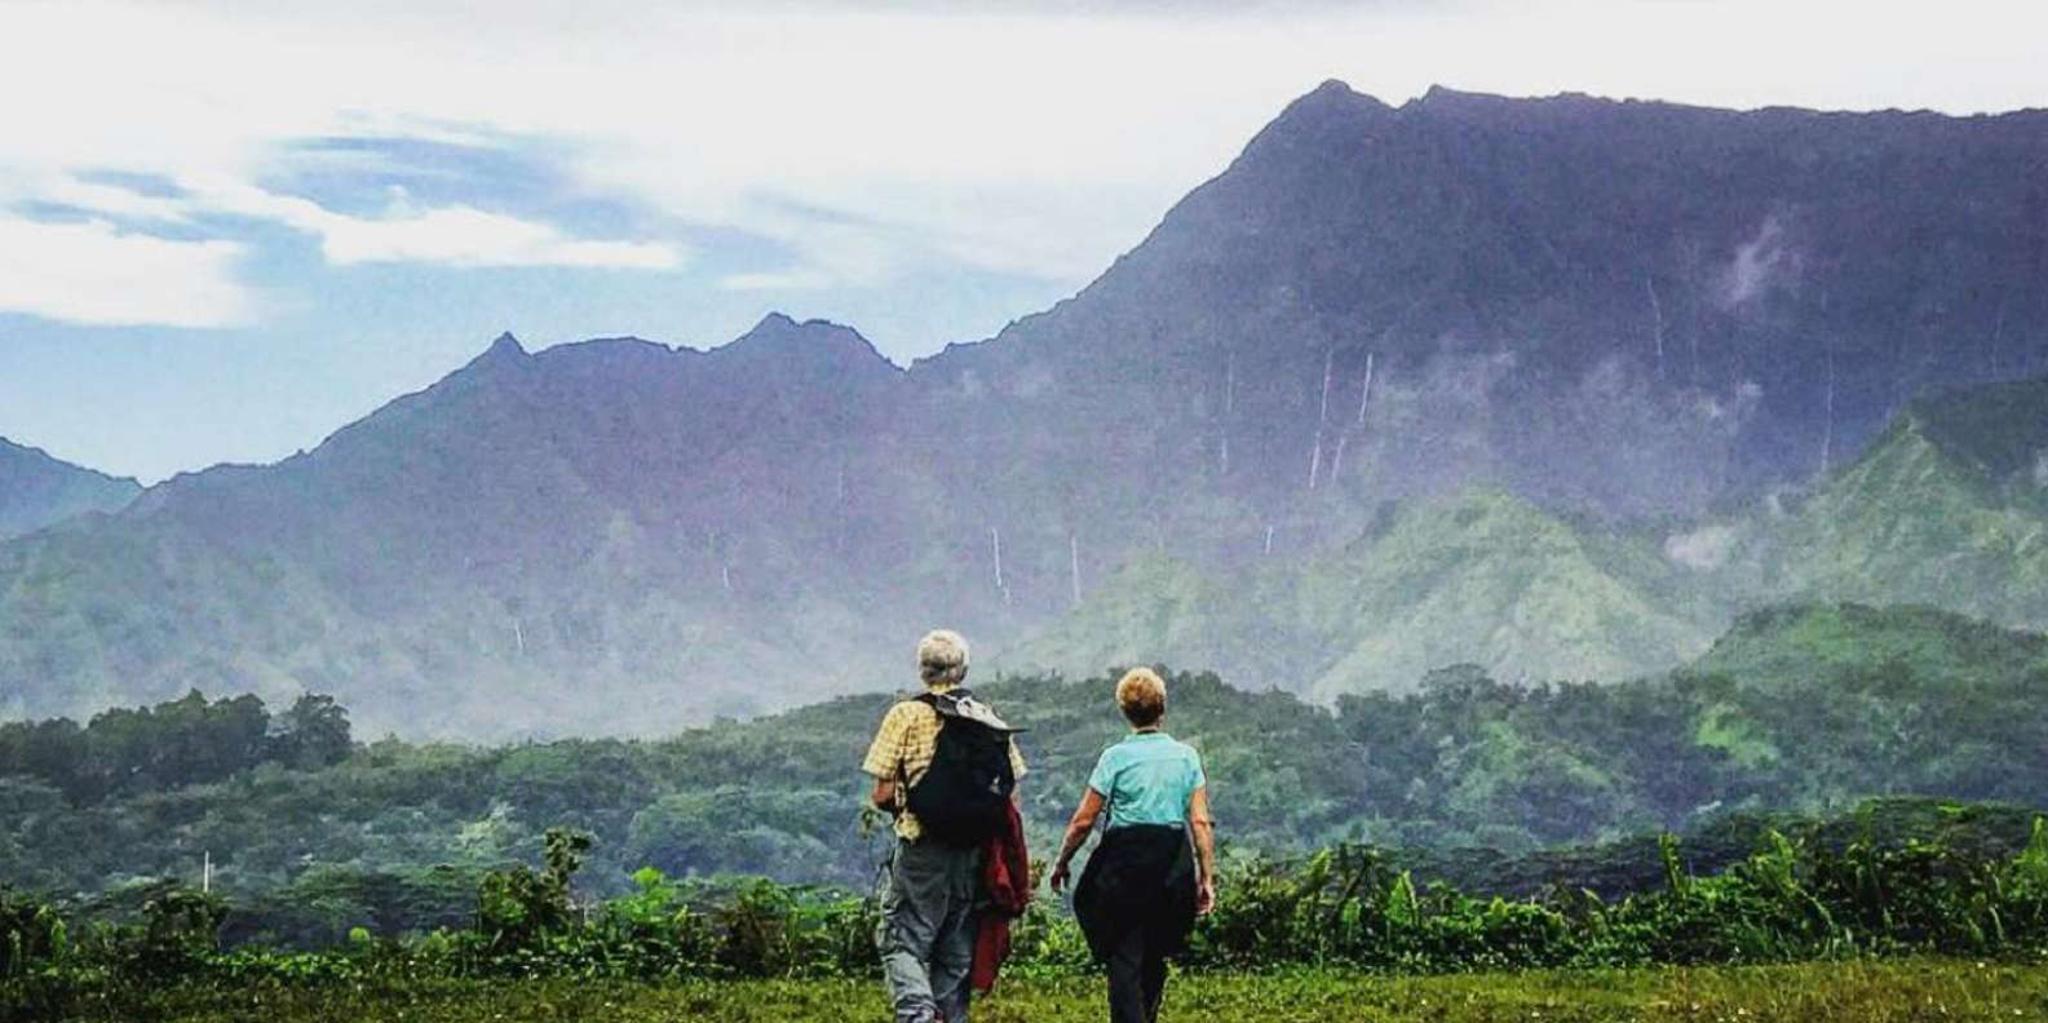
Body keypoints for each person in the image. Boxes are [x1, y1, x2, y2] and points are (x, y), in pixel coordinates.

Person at [862, 629, 1028, 1023]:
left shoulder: (905, 715)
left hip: (922, 847)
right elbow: (1010, 794)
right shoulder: (986, 718)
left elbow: (882, 794)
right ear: (963, 669)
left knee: (903, 939)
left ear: (922, 670)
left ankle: (918, 1014)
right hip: (972, 851)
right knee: (956, 946)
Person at [1050, 667, 1216, 1023]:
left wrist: (1063, 861)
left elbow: (1083, 820)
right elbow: (1200, 822)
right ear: (1163, 708)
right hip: (1172, 860)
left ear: (1124, 710)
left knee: (1124, 954)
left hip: (1123, 863)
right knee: (1155, 950)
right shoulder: (1186, 757)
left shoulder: (1115, 758)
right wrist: (1206, 877)